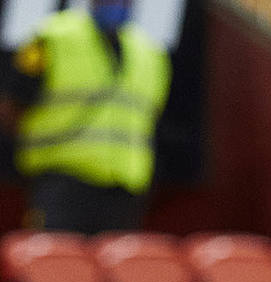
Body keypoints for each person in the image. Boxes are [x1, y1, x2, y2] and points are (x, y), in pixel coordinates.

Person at [0, 1, 171, 233]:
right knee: (57, 261)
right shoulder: (52, 38)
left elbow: (151, 120)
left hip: (125, 188)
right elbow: (12, 108)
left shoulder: (150, 52)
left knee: (121, 266)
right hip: (62, 181)